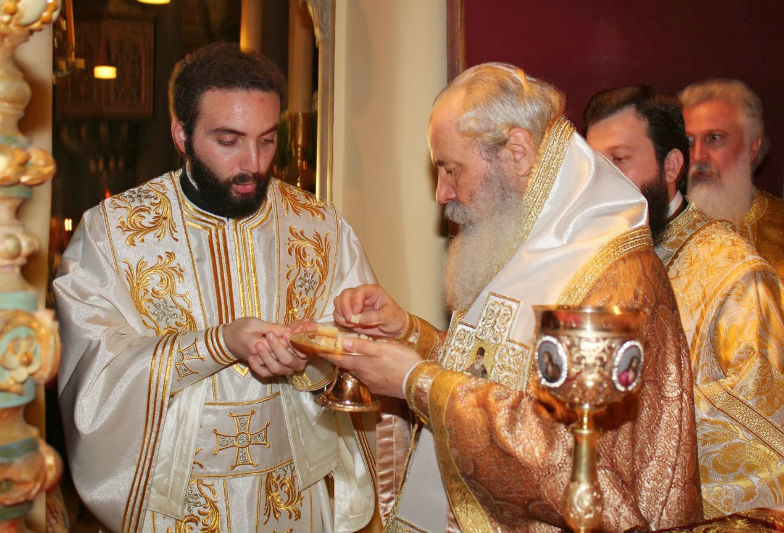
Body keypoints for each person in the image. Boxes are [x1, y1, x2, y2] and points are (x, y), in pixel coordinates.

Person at [324, 64, 701, 532]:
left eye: (451, 169)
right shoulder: (525, 235)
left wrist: (416, 382)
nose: (442, 193)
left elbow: (570, 459)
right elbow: (495, 372)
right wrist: (409, 332)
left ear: (517, 151)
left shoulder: (610, 274)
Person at [53, 43, 376, 533]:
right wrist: (218, 343)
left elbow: (362, 355)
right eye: (229, 141)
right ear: (181, 134)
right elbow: (93, 373)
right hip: (174, 503)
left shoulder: (320, 226)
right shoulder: (113, 234)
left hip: (292, 496)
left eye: (267, 140)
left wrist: (313, 357)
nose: (253, 164)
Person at [585, 84, 784, 517]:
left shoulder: (736, 274)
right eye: (594, 164)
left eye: (619, 160)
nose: (600, 183)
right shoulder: (589, 263)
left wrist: (624, 433)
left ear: (671, 165)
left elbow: (764, 422)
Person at [679, 78, 784, 279]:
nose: (698, 156)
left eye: (714, 138)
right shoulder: (657, 229)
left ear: (752, 149)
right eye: (689, 141)